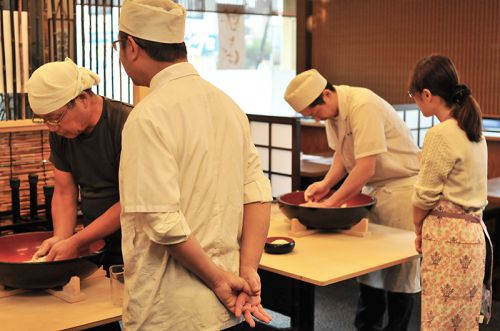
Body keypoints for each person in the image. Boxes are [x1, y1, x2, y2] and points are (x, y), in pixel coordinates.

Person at [116, 1, 273, 330]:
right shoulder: (228, 106)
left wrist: (219, 281)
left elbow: (163, 220)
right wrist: (248, 270)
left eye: (119, 45)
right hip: (228, 306)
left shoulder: (148, 115)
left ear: (130, 46)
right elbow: (257, 194)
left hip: (170, 310)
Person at [284, 69, 421, 330]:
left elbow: (364, 167)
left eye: (314, 113)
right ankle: (366, 327)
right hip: (372, 191)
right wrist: (325, 185)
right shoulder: (333, 113)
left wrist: (332, 203)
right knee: (369, 268)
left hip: (400, 190)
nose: (315, 119)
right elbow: (343, 156)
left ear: (326, 94)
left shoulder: (363, 105)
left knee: (400, 273)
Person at [26, 58, 132, 275]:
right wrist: (61, 239)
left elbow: (132, 201)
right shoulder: (61, 132)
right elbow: (65, 192)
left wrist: (76, 241)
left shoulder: (127, 123)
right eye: (44, 120)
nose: (51, 128)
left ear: (82, 98)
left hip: (136, 242)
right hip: (95, 242)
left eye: (54, 118)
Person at [409, 54, 492, 330]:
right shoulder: (474, 131)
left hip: (448, 241)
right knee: (464, 321)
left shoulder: (440, 135)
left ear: (427, 94)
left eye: (414, 95)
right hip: (474, 238)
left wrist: (418, 228)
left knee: (439, 321)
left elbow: (424, 196)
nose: (415, 100)